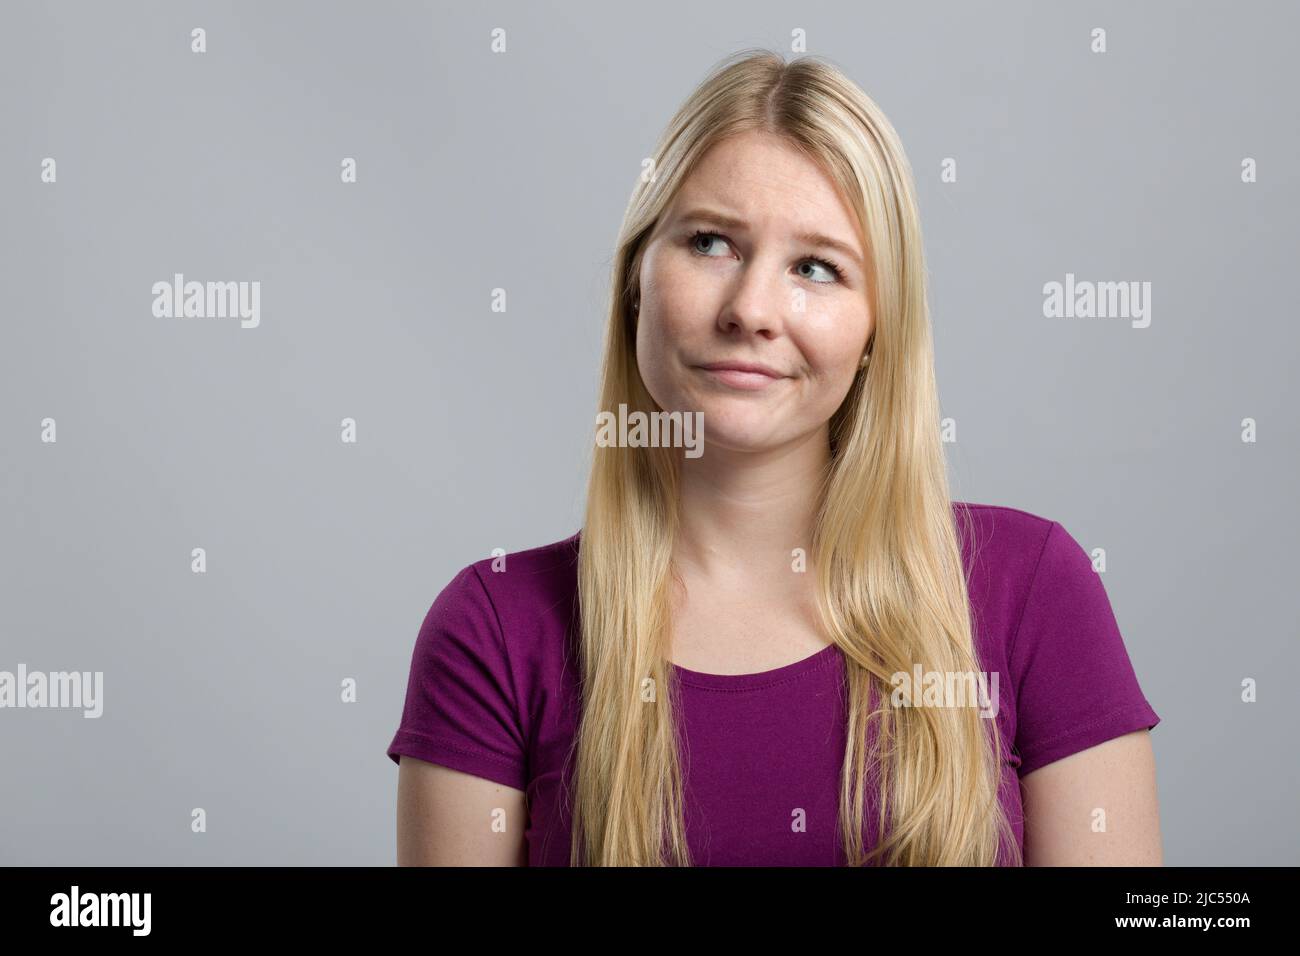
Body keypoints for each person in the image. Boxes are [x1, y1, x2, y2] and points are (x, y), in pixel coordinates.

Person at [388, 48, 1162, 866]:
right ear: (636, 280)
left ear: (876, 333)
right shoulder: (494, 631)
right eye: (711, 243)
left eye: (816, 268)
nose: (752, 308)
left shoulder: (1031, 590)